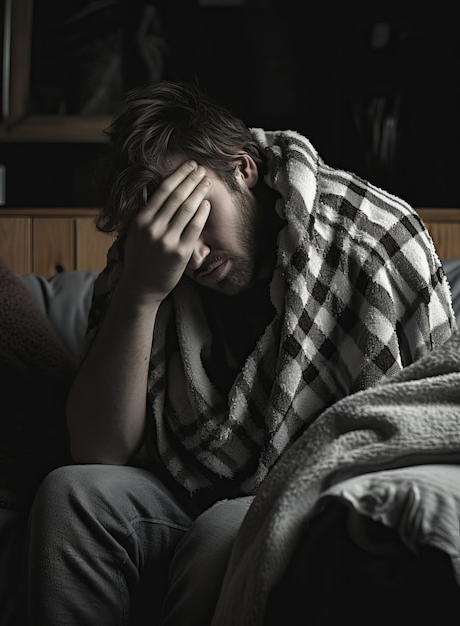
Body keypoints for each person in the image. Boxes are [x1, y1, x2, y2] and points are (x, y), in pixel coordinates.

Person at [25, 80, 456, 625]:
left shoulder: (369, 237)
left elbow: (421, 415)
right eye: (168, 227)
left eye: (196, 215)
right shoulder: (145, 261)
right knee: (70, 494)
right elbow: (97, 450)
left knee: (225, 529)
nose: (193, 254)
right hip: (178, 487)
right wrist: (141, 293)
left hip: (310, 489)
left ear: (243, 169)